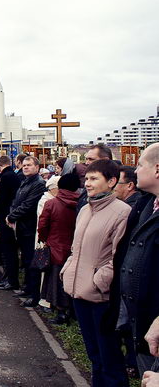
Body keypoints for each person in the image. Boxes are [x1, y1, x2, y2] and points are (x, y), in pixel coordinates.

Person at [61, 159, 130, 386]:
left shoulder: (122, 212)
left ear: (111, 182)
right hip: (80, 291)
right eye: (87, 178)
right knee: (94, 354)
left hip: (101, 296)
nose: (88, 184)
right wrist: (69, 269)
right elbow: (77, 248)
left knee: (109, 356)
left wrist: (98, 281)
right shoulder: (85, 210)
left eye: (94, 179)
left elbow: (118, 257)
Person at [117, 143, 159, 374]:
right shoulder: (148, 204)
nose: (136, 169)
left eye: (140, 164)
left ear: (157, 170)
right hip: (142, 318)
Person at [37, 173, 79, 324]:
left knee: (56, 280)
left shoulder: (52, 203)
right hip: (75, 247)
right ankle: (73, 312)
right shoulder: (82, 203)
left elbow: (42, 226)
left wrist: (46, 239)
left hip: (56, 246)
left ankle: (60, 312)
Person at [6, 156, 46, 307]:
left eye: (29, 165)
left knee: (31, 262)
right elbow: (16, 202)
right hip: (22, 227)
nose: (26, 167)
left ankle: (34, 295)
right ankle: (28, 288)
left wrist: (11, 216)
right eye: (24, 165)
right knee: (26, 260)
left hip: (29, 227)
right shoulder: (25, 181)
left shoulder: (38, 184)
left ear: (37, 167)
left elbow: (29, 205)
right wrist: (11, 214)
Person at [0, 155, 22, 291]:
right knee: (9, 251)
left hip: (6, 216)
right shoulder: (13, 175)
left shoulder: (6, 177)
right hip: (9, 215)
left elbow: (2, 198)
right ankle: (10, 279)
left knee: (8, 251)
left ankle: (11, 280)